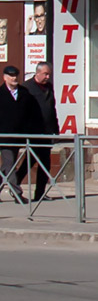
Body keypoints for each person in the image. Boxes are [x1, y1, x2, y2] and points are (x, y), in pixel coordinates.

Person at [0, 65, 43, 204]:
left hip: (19, 135)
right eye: (11, 76)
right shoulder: (1, 94)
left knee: (7, 166)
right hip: (4, 136)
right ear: (4, 78)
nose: (14, 78)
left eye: (15, 76)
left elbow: (32, 113)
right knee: (10, 164)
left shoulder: (24, 93)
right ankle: (17, 194)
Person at [23, 62, 58, 202]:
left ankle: (40, 193)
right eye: (45, 74)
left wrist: (55, 129)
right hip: (33, 131)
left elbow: (52, 109)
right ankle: (13, 187)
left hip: (46, 132)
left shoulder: (48, 87)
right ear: (37, 73)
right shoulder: (27, 87)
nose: (47, 77)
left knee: (45, 163)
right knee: (28, 162)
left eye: (49, 74)